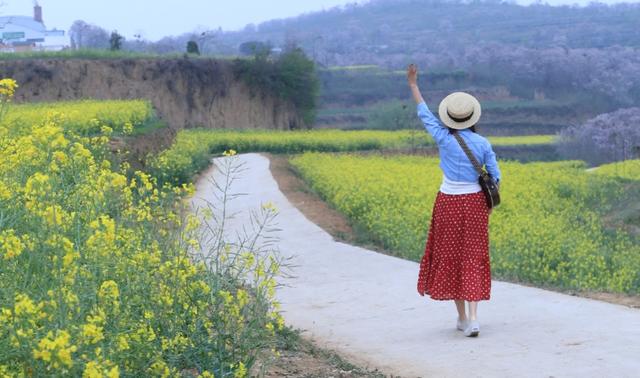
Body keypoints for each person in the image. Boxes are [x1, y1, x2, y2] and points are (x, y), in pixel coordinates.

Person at [406, 63, 501, 337]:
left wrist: (413, 84)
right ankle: (473, 318)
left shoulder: (443, 138)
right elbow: (495, 175)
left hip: (448, 203)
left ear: (449, 118)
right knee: (472, 257)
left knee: (451, 257)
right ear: (473, 117)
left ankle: (461, 318)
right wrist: (489, 205)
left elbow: (424, 113)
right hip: (474, 205)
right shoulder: (483, 143)